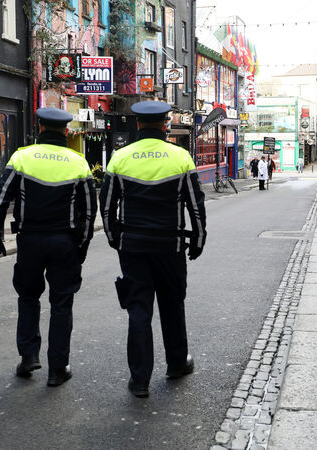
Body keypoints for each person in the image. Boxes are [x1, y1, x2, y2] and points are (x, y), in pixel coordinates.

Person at [100, 101, 206, 398]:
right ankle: (176, 364)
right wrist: (197, 240)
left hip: (132, 247)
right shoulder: (181, 157)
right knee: (172, 305)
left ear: (138, 125)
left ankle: (139, 380)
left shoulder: (120, 158)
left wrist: (114, 238)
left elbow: (107, 207)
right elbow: (195, 206)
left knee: (138, 310)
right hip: (170, 246)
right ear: (164, 124)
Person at [0, 107, 96, 387]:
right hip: (64, 241)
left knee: (28, 297)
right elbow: (89, 209)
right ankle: (58, 368)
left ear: (40, 128)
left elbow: (0, 199)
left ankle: (28, 356)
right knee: (62, 303)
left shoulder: (22, 157)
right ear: (65, 131)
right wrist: (82, 244)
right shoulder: (78, 162)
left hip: (30, 240)